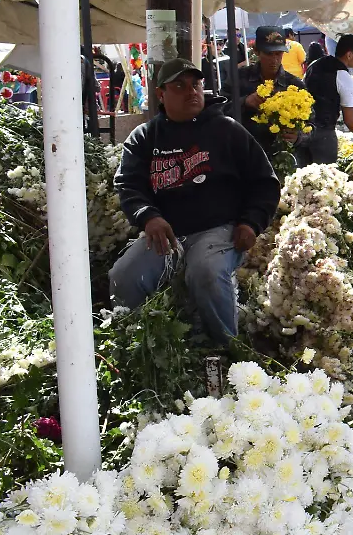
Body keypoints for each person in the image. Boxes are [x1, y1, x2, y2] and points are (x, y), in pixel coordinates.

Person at [110, 58, 280, 344]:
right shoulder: (144, 137)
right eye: (179, 86)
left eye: (196, 85)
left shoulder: (228, 130)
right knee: (124, 276)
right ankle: (136, 345)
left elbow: (264, 181)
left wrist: (251, 222)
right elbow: (129, 183)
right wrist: (148, 216)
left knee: (206, 271)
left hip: (219, 229)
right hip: (167, 234)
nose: (191, 91)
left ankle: (227, 350)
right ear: (161, 94)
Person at [304, 34, 353, 164]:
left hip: (303, 132)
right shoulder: (343, 76)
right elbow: (349, 119)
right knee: (325, 174)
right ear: (349, 55)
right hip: (324, 136)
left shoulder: (314, 65)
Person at [236, 26, 306, 157]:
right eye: (268, 54)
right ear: (257, 51)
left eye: (278, 53)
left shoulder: (295, 85)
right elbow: (220, 110)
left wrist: (298, 137)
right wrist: (244, 102)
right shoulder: (239, 78)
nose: (274, 60)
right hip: (245, 154)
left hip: (282, 158)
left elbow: (312, 124)